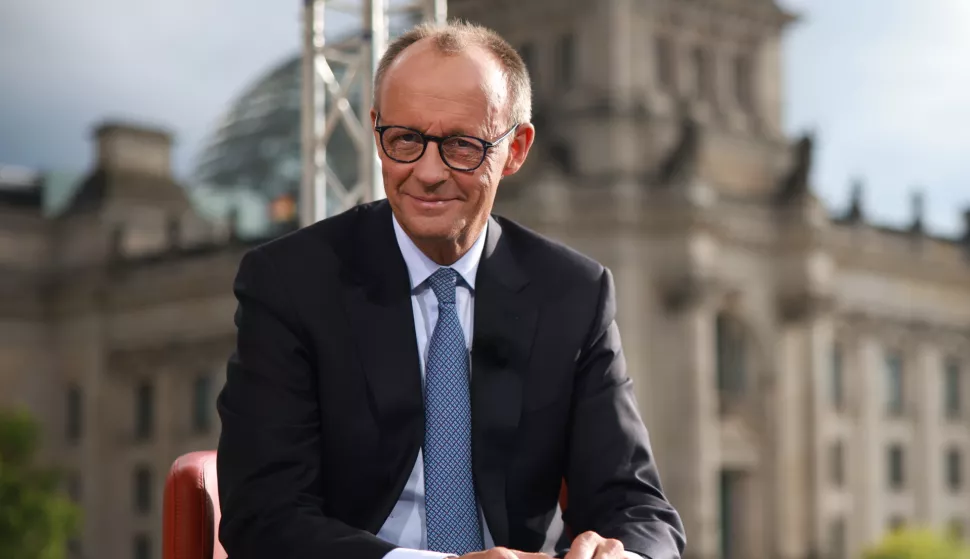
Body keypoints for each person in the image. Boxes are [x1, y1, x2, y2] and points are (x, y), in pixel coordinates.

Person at [216, 20, 686, 559]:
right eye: (405, 141)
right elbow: (265, 516)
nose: (428, 172)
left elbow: (636, 505)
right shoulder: (290, 282)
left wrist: (624, 556)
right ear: (375, 133)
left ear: (516, 149)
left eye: (462, 146)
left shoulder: (573, 293)